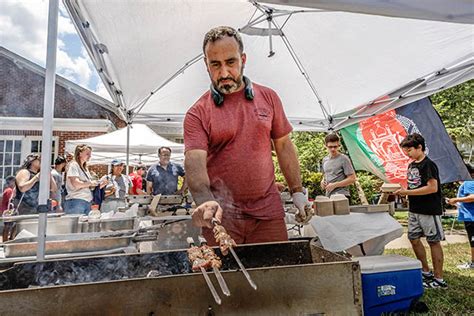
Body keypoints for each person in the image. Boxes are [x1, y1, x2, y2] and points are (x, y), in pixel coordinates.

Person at [183, 26, 312, 245]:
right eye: (215, 64)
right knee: (222, 276)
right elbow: (194, 163)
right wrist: (205, 202)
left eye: (230, 62)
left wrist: (297, 191)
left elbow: (283, 146)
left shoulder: (269, 98)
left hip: (267, 214)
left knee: (277, 274)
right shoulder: (198, 113)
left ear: (243, 59)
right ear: (206, 65)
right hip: (221, 217)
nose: (224, 73)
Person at [395, 133, 447, 289]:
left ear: (419, 147)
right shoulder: (412, 165)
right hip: (414, 210)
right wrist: (404, 194)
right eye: (405, 150)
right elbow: (413, 186)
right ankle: (425, 271)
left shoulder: (428, 164)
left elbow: (432, 188)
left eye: (409, 150)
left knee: (433, 241)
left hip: (429, 210)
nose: (407, 154)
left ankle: (439, 279)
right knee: (414, 239)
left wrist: (407, 193)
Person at [65, 145, 107, 215]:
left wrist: (100, 184)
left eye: (90, 154)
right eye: (87, 154)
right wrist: (91, 183)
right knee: (76, 225)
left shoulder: (85, 168)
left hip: (86, 201)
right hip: (76, 201)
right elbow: (76, 184)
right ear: (80, 153)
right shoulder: (73, 165)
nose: (90, 156)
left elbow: (88, 187)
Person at [447, 163, 474, 269]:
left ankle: (473, 263)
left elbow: (472, 197)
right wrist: (456, 202)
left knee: (473, 241)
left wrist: (456, 199)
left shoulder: (468, 182)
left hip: (471, 217)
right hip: (469, 216)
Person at [320, 133, 356, 201]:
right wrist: (322, 182)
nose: (333, 149)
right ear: (326, 146)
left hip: (342, 195)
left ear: (339, 145)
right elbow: (325, 175)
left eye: (335, 146)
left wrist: (334, 185)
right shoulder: (324, 160)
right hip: (328, 196)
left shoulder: (344, 159)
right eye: (330, 147)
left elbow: (352, 179)